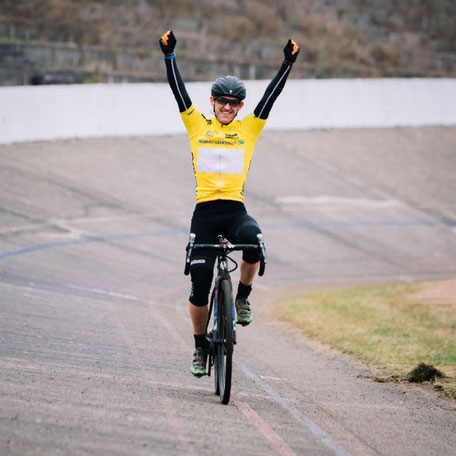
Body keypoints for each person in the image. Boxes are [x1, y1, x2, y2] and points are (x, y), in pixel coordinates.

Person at [159, 30, 299, 376]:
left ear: (240, 108)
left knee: (255, 241)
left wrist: (287, 63)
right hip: (205, 212)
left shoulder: (249, 129)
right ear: (212, 102)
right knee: (200, 282)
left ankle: (242, 297)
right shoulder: (195, 125)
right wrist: (169, 57)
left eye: (233, 103)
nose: (226, 107)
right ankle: (198, 346)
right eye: (221, 101)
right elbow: (179, 92)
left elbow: (271, 96)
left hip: (235, 210)